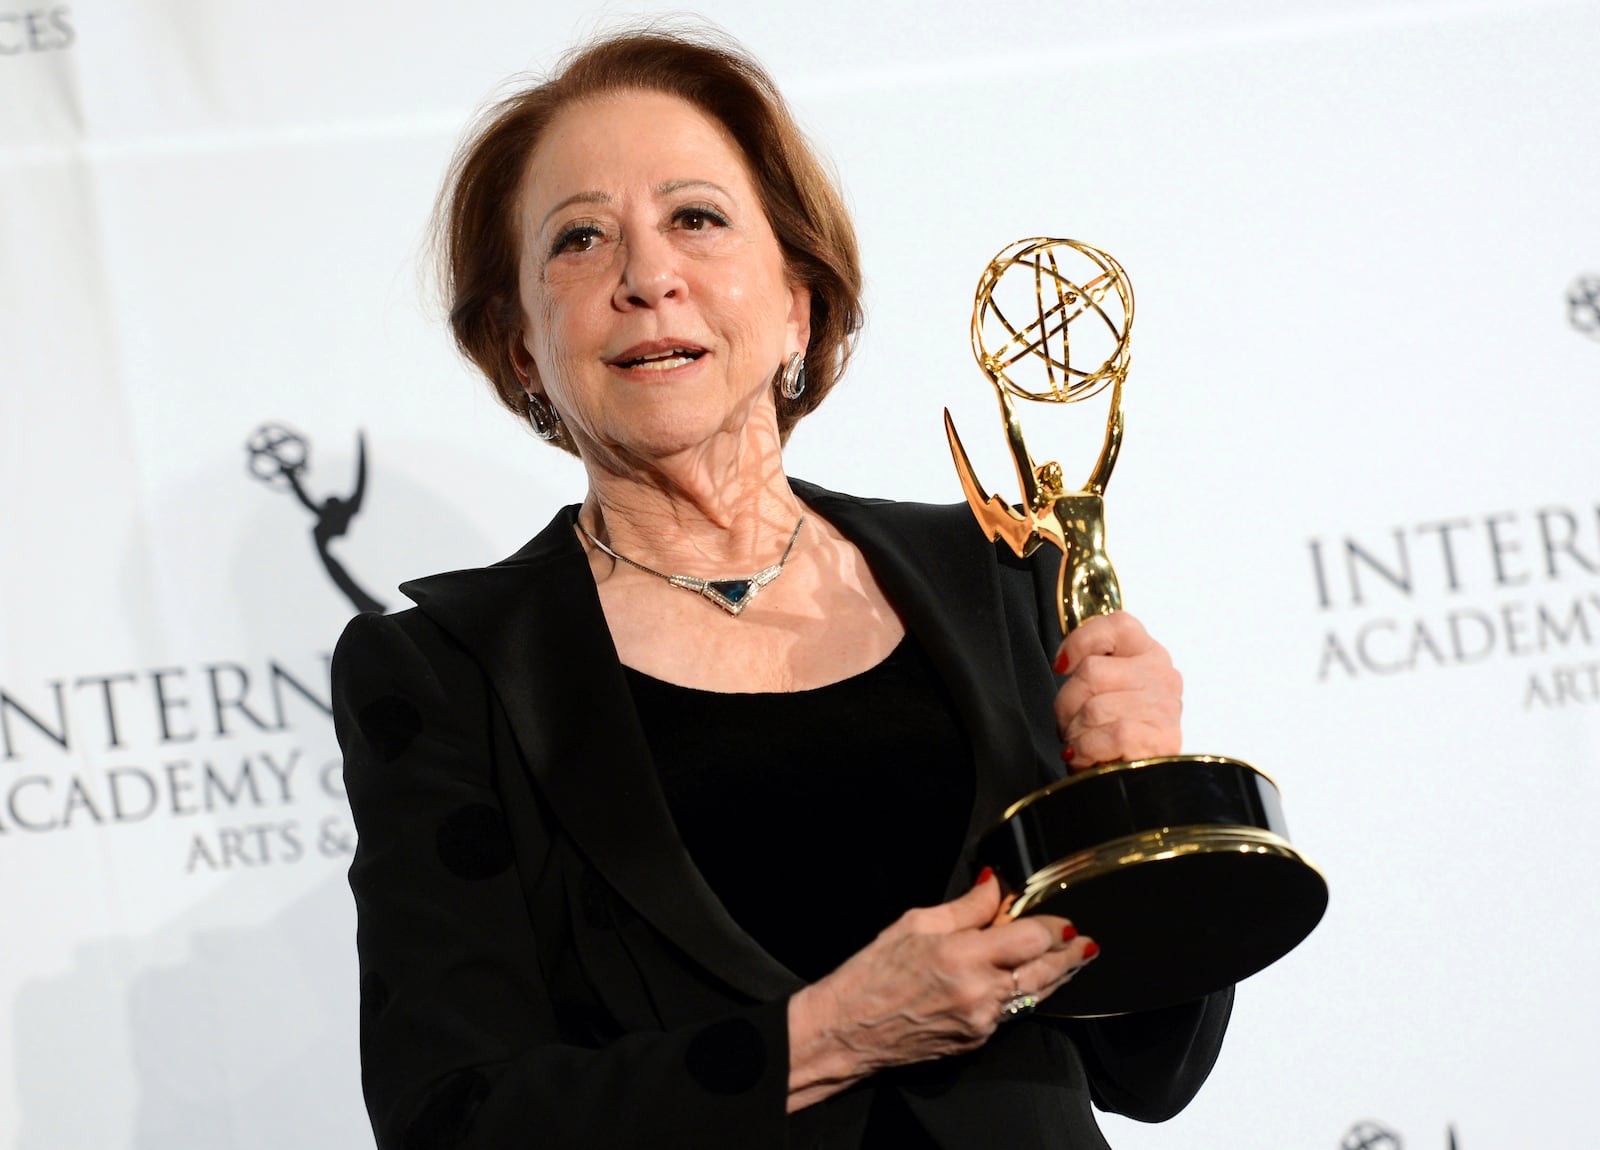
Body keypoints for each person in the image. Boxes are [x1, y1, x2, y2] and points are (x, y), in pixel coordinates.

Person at [331, 26, 1232, 1150]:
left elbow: (1150, 1065)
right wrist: (830, 1033)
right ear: (520, 347)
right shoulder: (449, 671)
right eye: (579, 239)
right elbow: (452, 1121)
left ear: (799, 299)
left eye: (695, 219)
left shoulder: (1000, 575)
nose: (646, 276)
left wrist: (1144, 793)